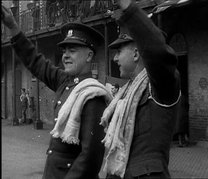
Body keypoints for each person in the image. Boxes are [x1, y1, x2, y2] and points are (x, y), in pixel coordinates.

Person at [2, 5, 113, 179]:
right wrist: (13, 27)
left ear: (89, 56)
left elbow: (90, 158)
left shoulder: (93, 95)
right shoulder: (64, 81)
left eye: (73, 50)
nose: (65, 56)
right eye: (64, 51)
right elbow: (35, 62)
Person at [99, 0, 181, 178]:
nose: (115, 59)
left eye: (119, 51)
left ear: (136, 53)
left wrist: (129, 7)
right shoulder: (126, 91)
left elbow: (158, 53)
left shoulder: (160, 84)